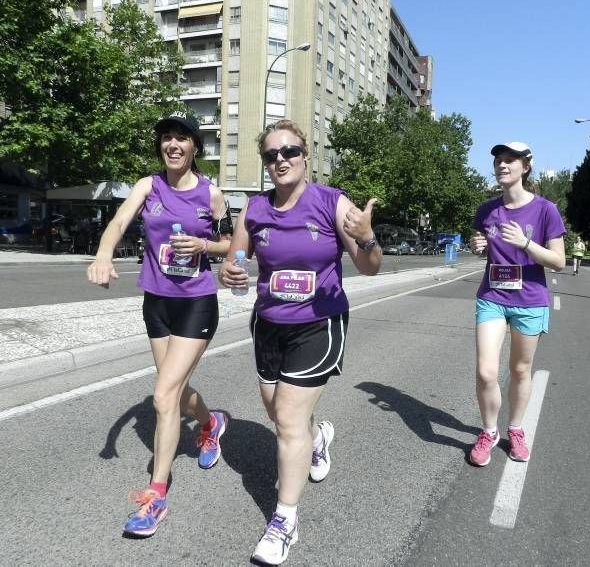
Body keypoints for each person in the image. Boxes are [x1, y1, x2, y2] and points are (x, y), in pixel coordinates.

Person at [218, 119, 382, 565]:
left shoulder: (331, 202)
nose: (280, 160)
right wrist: (229, 271)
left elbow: (370, 267)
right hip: (269, 324)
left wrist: (365, 236)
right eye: (271, 155)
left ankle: (284, 521)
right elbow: (234, 259)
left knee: (288, 419)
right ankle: (317, 441)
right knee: (277, 413)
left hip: (319, 323)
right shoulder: (253, 209)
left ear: (305, 155)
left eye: (289, 151)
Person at [86, 111, 233, 537]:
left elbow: (231, 243)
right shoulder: (147, 187)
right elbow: (117, 223)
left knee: (163, 394)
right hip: (157, 302)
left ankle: (156, 495)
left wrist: (205, 243)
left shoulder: (212, 193)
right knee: (176, 391)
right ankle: (210, 424)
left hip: (196, 303)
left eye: (182, 139)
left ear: (194, 148)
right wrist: (103, 254)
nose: (173, 145)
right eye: (167, 138)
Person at [468, 142, 565, 467]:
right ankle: (489, 431)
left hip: (529, 300)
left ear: (525, 167)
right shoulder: (486, 210)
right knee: (485, 372)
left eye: (510, 160)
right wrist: (477, 245)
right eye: (498, 160)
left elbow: (558, 261)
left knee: (521, 370)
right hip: (492, 297)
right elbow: (480, 246)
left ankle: (516, 429)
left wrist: (525, 243)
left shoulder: (545, 210)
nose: (502, 165)